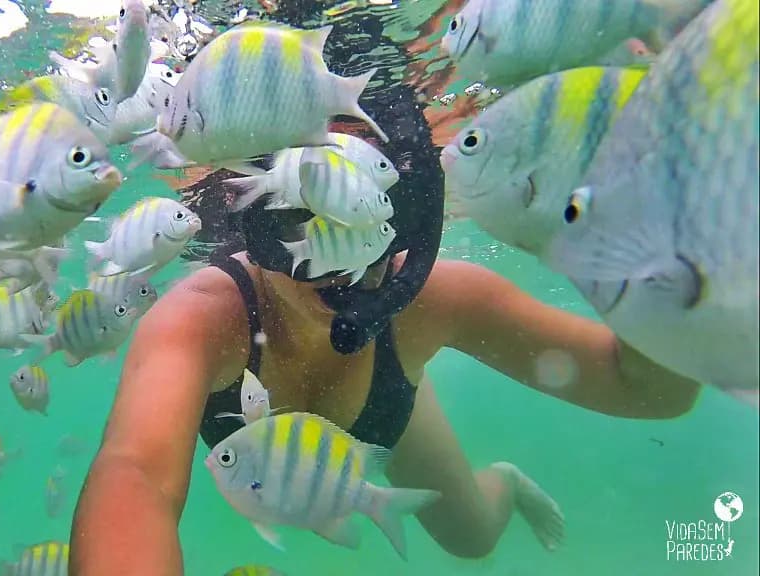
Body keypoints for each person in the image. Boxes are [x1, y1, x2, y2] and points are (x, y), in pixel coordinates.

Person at [69, 4, 702, 575]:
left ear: (407, 212)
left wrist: (632, 235)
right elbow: (135, 475)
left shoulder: (433, 299)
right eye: (305, 205)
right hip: (358, 399)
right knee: (467, 538)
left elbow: (646, 388)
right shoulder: (206, 318)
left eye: (375, 206)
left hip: (383, 403)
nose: (340, 258)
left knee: (472, 534)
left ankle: (504, 482)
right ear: (252, 208)